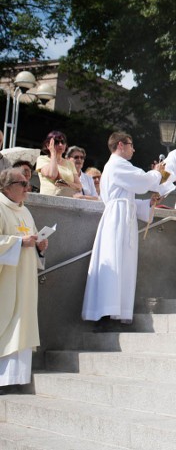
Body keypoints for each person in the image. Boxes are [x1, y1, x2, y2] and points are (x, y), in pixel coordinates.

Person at [81, 132, 168, 330]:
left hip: (122, 217)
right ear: (121, 145)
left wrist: (148, 203)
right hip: (116, 221)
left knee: (124, 265)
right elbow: (142, 182)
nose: (134, 149)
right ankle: (106, 313)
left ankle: (116, 312)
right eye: (131, 145)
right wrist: (157, 172)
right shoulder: (117, 164)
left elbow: (127, 198)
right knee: (114, 262)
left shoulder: (116, 166)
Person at [0, 168, 48, 390]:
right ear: (8, 187)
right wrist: (20, 242)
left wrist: (39, 246)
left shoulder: (26, 211)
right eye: (23, 184)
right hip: (7, 280)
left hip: (26, 279)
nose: (28, 189)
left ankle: (17, 379)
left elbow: (32, 238)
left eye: (28, 184)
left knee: (23, 325)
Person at [35, 131, 81, 197]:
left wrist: (65, 183)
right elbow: (52, 174)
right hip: (48, 199)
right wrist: (53, 153)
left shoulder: (70, 164)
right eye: (56, 142)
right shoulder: (42, 159)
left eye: (63, 142)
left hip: (67, 200)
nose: (60, 145)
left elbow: (79, 186)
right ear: (48, 144)